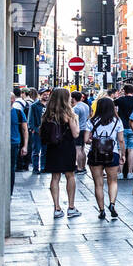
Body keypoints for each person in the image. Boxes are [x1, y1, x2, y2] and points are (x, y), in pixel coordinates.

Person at [41, 88, 81, 219]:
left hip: (53, 148)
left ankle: (57, 208)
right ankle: (71, 207)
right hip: (67, 147)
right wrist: (76, 121)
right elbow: (75, 134)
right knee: (70, 175)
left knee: (55, 177)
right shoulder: (69, 114)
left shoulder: (47, 114)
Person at [87, 96, 125, 221]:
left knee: (98, 183)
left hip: (95, 154)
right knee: (112, 181)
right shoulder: (117, 121)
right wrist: (122, 154)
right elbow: (120, 140)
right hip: (112, 153)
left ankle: (101, 210)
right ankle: (112, 204)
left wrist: (94, 140)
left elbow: (86, 140)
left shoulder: (91, 121)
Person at [115, 84, 133, 180]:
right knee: (132, 149)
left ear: (124, 91)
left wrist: (117, 116)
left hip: (122, 126)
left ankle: (120, 173)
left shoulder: (120, 100)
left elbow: (112, 105)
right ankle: (130, 172)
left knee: (121, 149)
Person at [10, 87, 29, 194]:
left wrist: (25, 146)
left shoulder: (18, 112)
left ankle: (10, 191)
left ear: (12, 100)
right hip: (2, 144)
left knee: (12, 168)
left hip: (14, 143)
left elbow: (25, 130)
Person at [27, 88, 49, 173]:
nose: (46, 96)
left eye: (47, 94)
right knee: (36, 151)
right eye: (44, 94)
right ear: (40, 95)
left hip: (47, 132)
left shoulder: (49, 105)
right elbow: (30, 119)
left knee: (45, 150)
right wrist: (33, 129)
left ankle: (43, 167)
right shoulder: (34, 106)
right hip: (37, 131)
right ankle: (35, 168)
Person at [71, 91, 91, 174]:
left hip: (79, 129)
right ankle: (83, 167)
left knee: (78, 149)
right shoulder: (85, 105)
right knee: (82, 149)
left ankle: (79, 168)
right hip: (85, 129)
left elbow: (74, 121)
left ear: (73, 98)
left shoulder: (76, 108)